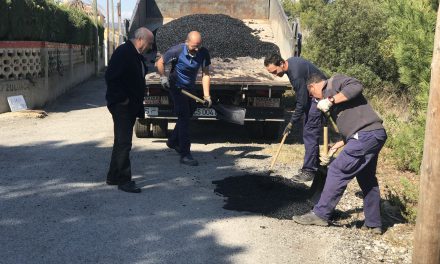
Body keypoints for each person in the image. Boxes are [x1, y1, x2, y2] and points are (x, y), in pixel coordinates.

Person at [292, 74, 387, 234]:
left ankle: (320, 214)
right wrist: (337, 146)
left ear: (313, 86)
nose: (314, 99)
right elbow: (354, 127)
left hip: (366, 135)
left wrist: (330, 100)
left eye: (311, 95)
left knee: (337, 170)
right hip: (373, 134)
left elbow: (357, 85)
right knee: (367, 179)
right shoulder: (333, 97)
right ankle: (374, 223)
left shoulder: (333, 82)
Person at [105, 27, 154, 193]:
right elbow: (111, 77)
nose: (150, 47)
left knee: (120, 142)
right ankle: (124, 180)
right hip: (122, 106)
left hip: (129, 105)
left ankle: (113, 176)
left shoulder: (135, 54)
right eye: (149, 43)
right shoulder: (124, 52)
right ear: (140, 39)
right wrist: (122, 99)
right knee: (125, 143)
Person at [264, 54, 326, 182]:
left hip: (319, 97)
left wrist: (291, 123)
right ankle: (316, 165)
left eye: (275, 71)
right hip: (313, 96)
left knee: (310, 132)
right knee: (309, 131)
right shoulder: (291, 63)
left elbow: (301, 102)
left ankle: (309, 171)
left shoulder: (296, 74)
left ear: (281, 63)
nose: (275, 75)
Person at [156, 31, 212, 166]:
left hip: (189, 88)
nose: (197, 49)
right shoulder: (177, 50)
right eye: (194, 46)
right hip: (176, 87)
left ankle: (172, 141)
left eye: (199, 45)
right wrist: (163, 77)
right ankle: (185, 154)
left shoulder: (203, 53)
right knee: (184, 117)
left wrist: (207, 95)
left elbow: (205, 74)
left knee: (190, 111)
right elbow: (160, 62)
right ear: (187, 42)